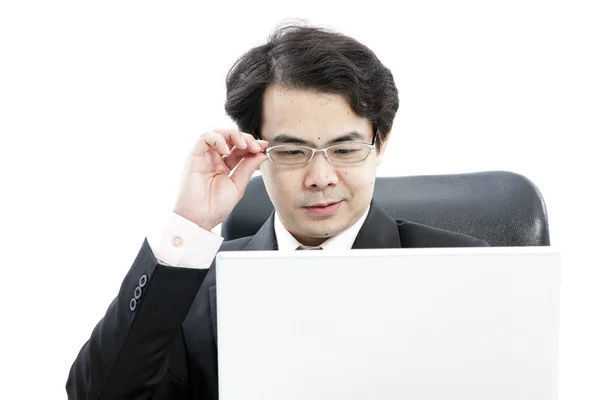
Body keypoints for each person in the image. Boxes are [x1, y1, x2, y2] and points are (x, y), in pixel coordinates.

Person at [66, 23, 489, 399]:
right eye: (291, 151)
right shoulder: (191, 287)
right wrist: (190, 224)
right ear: (254, 150)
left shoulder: (471, 273)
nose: (320, 176)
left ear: (381, 143)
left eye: (344, 149)